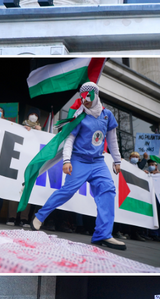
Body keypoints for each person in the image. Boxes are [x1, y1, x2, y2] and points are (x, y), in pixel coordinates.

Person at [33, 82, 126, 251]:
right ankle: (39, 217)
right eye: (82, 97)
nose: (85, 101)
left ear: (96, 95)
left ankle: (102, 235)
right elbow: (69, 139)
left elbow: (112, 140)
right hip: (79, 160)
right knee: (68, 190)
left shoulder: (107, 115)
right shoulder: (79, 115)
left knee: (108, 189)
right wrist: (67, 160)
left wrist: (117, 160)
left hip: (98, 162)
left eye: (89, 96)